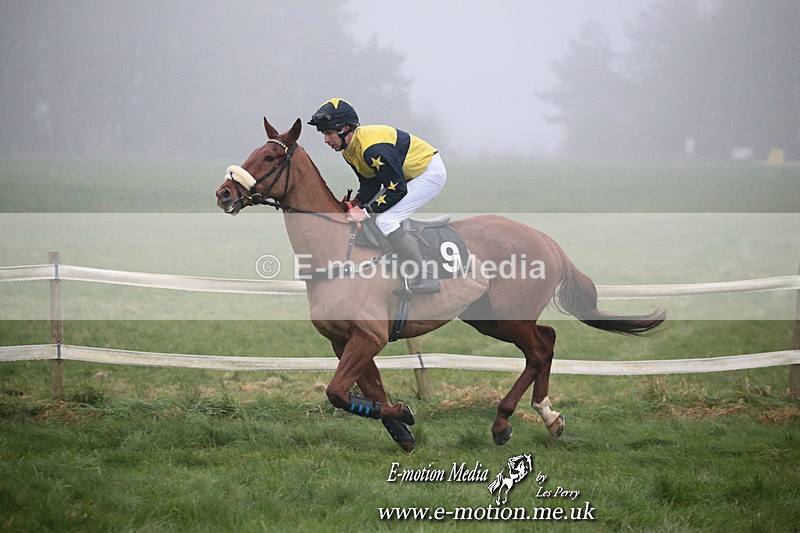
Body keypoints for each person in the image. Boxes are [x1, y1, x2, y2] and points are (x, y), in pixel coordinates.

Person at [308, 98, 446, 293]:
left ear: (345, 129)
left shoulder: (372, 149)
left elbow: (397, 188)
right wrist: (357, 203)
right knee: (373, 213)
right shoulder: (349, 149)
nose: (326, 140)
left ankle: (427, 276)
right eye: (323, 134)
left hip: (428, 173)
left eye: (329, 133)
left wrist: (366, 211)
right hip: (405, 176)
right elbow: (370, 183)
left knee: (386, 220)